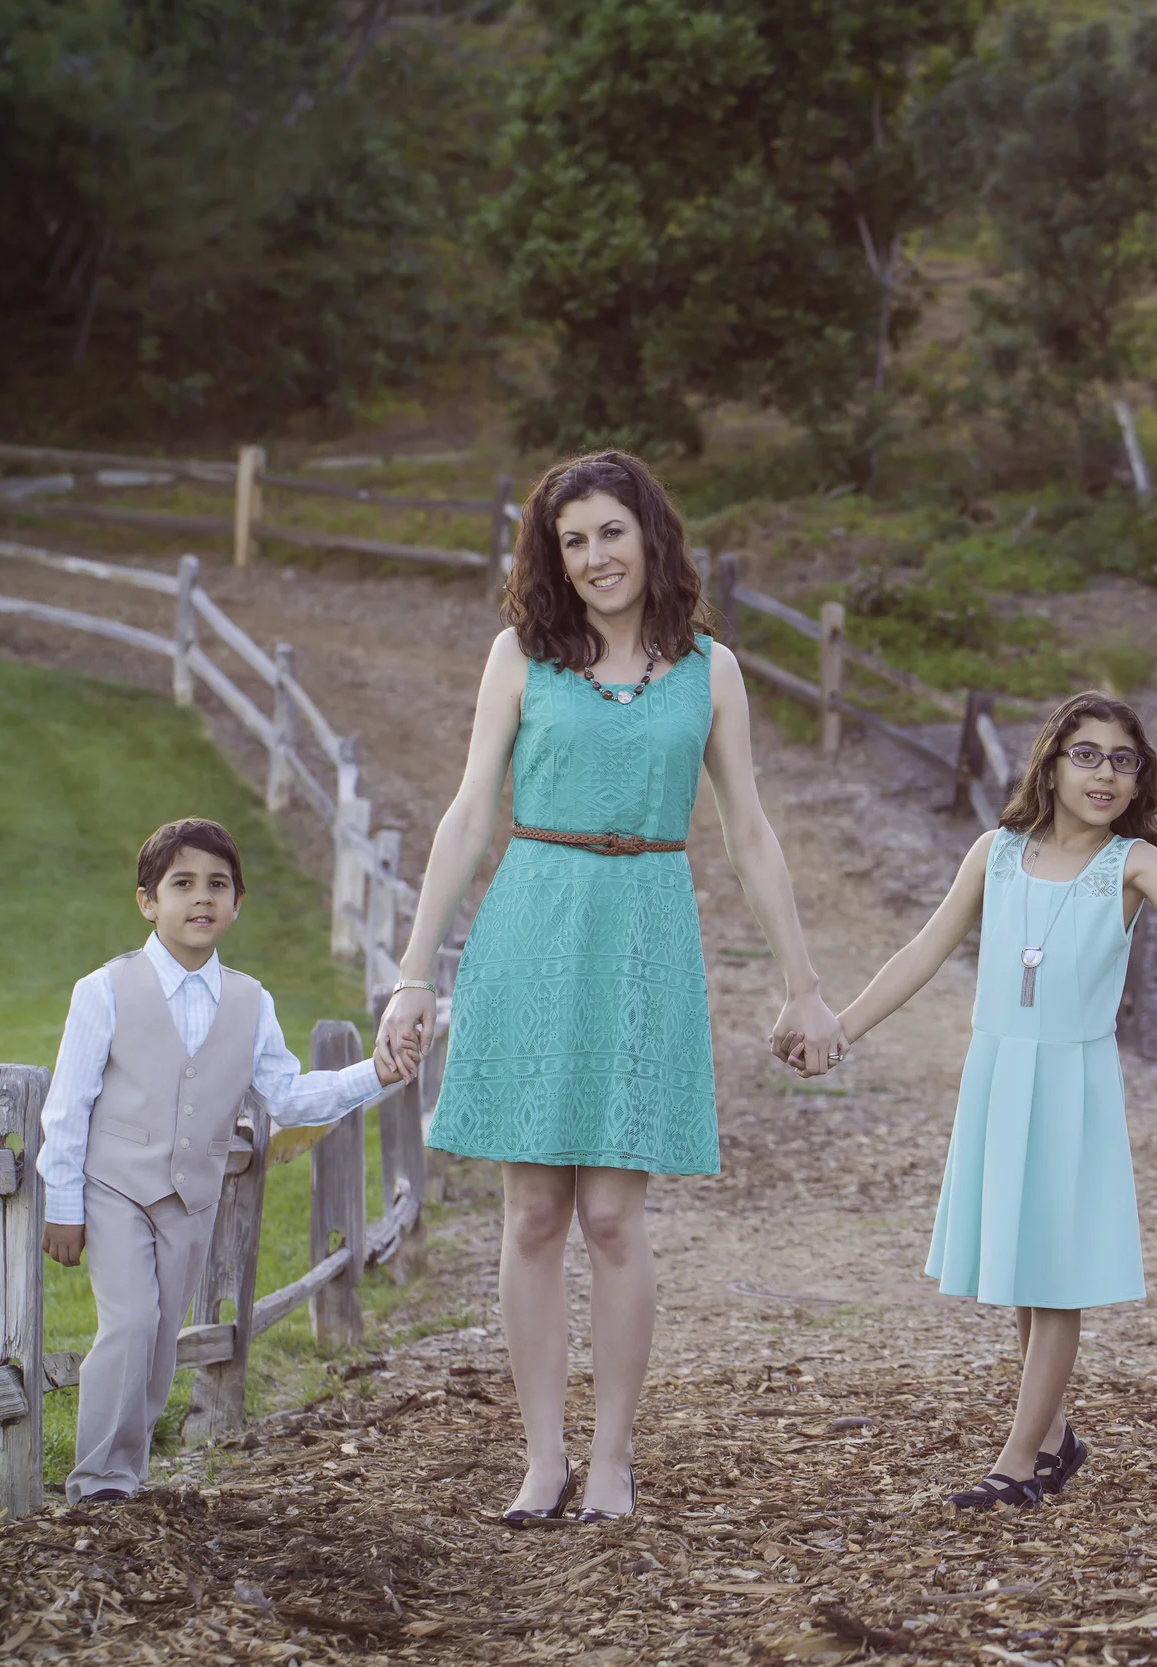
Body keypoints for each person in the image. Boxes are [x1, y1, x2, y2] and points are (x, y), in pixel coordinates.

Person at [375, 451, 845, 1528]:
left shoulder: (711, 670)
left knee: (613, 1216)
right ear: (554, 555)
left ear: (651, 535)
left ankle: (613, 1458)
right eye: (573, 539)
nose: (595, 557)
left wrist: (803, 985)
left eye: (611, 532)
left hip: (645, 930)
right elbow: (468, 812)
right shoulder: (521, 656)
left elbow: (750, 834)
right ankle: (543, 1459)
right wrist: (412, 973)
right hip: (532, 922)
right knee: (535, 1210)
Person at [823, 693, 1157, 1509]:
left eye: (1124, 760)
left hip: (1072, 1082)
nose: (1106, 774)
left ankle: (1016, 1464)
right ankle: (1056, 1436)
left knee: (1056, 1277)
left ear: (1140, 779)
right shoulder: (996, 853)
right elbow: (922, 951)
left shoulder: (1132, 865)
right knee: (1019, 1270)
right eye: (1089, 754)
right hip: (999, 1072)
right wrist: (841, 1028)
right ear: (1053, 763)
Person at [41, 818, 419, 1504]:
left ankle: (128, 1475)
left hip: (192, 1197)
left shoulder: (250, 1001)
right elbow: (67, 1106)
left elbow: (289, 1095)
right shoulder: (104, 990)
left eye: (218, 885)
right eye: (182, 883)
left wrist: (375, 1074)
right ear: (148, 901)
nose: (202, 897)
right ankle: (97, 1483)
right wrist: (63, 1205)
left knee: (160, 1339)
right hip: (114, 1187)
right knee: (129, 1323)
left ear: (237, 903)